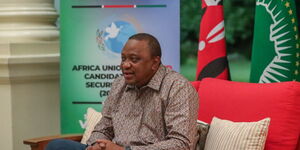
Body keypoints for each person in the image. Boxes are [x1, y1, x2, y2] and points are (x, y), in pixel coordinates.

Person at [46, 33, 199, 150]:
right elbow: (103, 128)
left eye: (134, 59)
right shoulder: (120, 84)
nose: (125, 65)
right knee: (57, 146)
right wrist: (96, 145)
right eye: (123, 59)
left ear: (155, 62)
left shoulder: (177, 88)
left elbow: (181, 144)